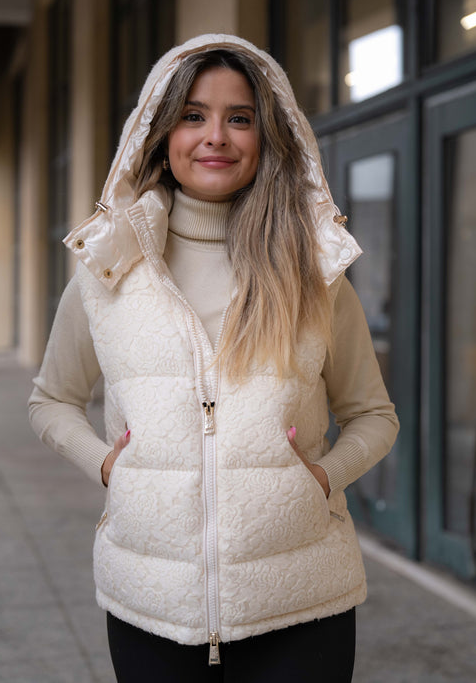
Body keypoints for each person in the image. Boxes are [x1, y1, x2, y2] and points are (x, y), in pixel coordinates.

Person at [28, 34, 399, 682]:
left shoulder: (312, 268)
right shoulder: (110, 265)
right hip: (150, 599)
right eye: (193, 115)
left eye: (240, 118)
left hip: (302, 602)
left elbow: (373, 413)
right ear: (160, 130)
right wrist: (109, 465)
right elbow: (52, 398)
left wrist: (320, 478)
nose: (215, 137)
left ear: (266, 135)